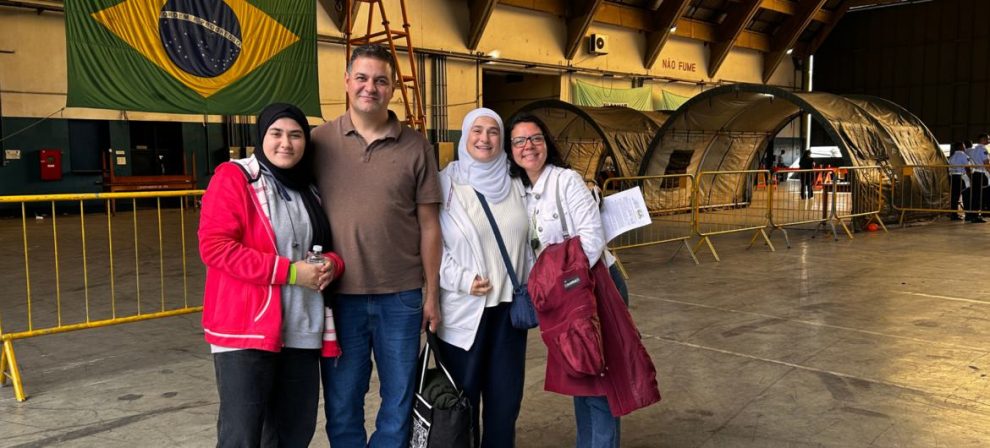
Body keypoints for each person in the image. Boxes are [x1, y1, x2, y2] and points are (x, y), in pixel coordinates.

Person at [311, 44, 442, 448]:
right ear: (347, 82)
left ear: (393, 90)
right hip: (339, 299)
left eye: (381, 81)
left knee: (398, 397)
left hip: (400, 297)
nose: (371, 87)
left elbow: (429, 225)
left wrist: (431, 295)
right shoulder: (318, 142)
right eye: (363, 78)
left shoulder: (416, 147)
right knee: (342, 397)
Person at [199, 103, 345, 447]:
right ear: (261, 137)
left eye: (296, 135)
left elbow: (326, 246)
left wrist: (332, 265)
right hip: (247, 331)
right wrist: (290, 272)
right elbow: (215, 247)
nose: (286, 143)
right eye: (276, 134)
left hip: (301, 331)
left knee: (294, 433)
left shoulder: (309, 189)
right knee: (243, 435)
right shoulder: (235, 178)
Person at [507, 114, 641, 448]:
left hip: (591, 288)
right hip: (558, 298)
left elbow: (592, 240)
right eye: (519, 141)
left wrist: (559, 285)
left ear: (546, 143)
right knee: (581, 378)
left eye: (535, 138)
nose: (528, 146)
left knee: (600, 382)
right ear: (510, 150)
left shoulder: (565, 181)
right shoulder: (516, 192)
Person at [435, 108, 531, 447]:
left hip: (509, 315)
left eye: (493, 132)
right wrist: (461, 279)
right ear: (464, 135)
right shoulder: (446, 183)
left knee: (504, 407)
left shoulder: (518, 182)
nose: (484, 138)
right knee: (461, 407)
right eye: (477, 130)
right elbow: (431, 247)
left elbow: (539, 231)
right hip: (464, 316)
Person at [965, 135, 990, 223]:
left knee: (975, 196)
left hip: (975, 173)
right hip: (981, 174)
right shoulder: (983, 149)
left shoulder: (974, 150)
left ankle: (971, 215)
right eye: (988, 138)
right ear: (983, 140)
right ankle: (975, 216)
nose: (989, 140)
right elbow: (986, 163)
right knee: (979, 196)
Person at [947, 142, 971, 221]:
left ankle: (953, 215)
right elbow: (967, 167)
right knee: (966, 195)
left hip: (953, 177)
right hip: (962, 177)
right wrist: (970, 176)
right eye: (964, 146)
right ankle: (968, 214)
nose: (965, 148)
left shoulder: (952, 157)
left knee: (954, 197)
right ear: (960, 146)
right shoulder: (963, 155)